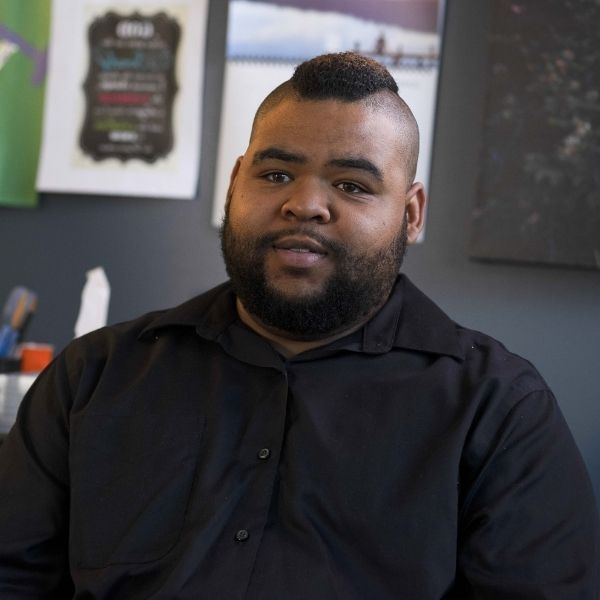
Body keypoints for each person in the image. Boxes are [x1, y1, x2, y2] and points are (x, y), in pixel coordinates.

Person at [0, 52, 598, 599]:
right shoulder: (94, 377)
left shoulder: (499, 412)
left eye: (351, 185)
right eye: (277, 174)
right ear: (236, 184)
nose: (306, 204)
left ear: (410, 215)